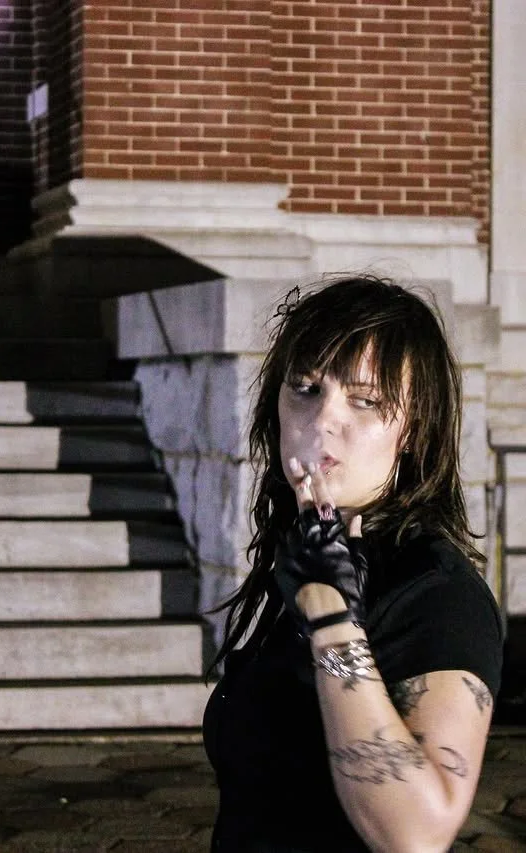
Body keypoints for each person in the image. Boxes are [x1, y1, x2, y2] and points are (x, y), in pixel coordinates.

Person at [202, 275, 503, 853]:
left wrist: (334, 625)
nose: (323, 419)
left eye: (365, 400)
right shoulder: (307, 554)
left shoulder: (436, 593)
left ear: (412, 428)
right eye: (306, 388)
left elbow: (416, 834)